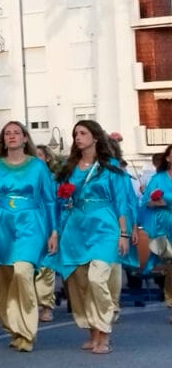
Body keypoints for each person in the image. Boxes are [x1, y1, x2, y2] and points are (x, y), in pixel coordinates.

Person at [50, 121, 135, 355]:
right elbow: (60, 204)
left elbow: (121, 202)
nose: (78, 137)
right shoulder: (69, 168)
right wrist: (56, 232)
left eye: (83, 133)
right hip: (75, 228)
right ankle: (92, 332)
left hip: (105, 226)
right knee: (80, 284)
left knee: (98, 279)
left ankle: (104, 332)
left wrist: (124, 233)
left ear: (95, 137)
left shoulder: (111, 167)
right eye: (75, 133)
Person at [0, 122, 56, 353]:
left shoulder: (38, 167)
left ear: (25, 138)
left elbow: (50, 199)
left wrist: (53, 231)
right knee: (3, 280)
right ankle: (12, 326)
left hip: (30, 224)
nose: (12, 136)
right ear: (3, 140)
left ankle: (26, 331)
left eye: (16, 133)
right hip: (1, 225)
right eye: (7, 133)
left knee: (23, 272)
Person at [137, 145, 172, 319]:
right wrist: (155, 203)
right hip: (164, 225)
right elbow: (145, 202)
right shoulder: (158, 179)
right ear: (168, 158)